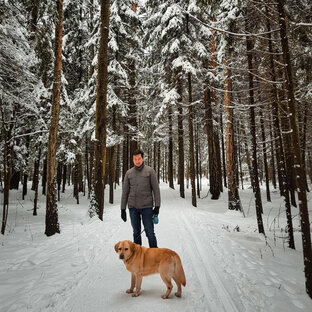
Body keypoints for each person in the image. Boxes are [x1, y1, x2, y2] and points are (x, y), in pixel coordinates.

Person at [120, 149, 160, 248]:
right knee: (136, 233)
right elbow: (125, 192)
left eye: (139, 158)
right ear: (133, 160)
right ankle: (138, 258)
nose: (137, 161)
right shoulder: (129, 173)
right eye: (135, 159)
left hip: (147, 207)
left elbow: (156, 190)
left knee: (150, 233)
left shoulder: (150, 171)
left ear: (142, 158)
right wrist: (123, 209)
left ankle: (154, 256)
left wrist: (157, 207)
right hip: (133, 208)